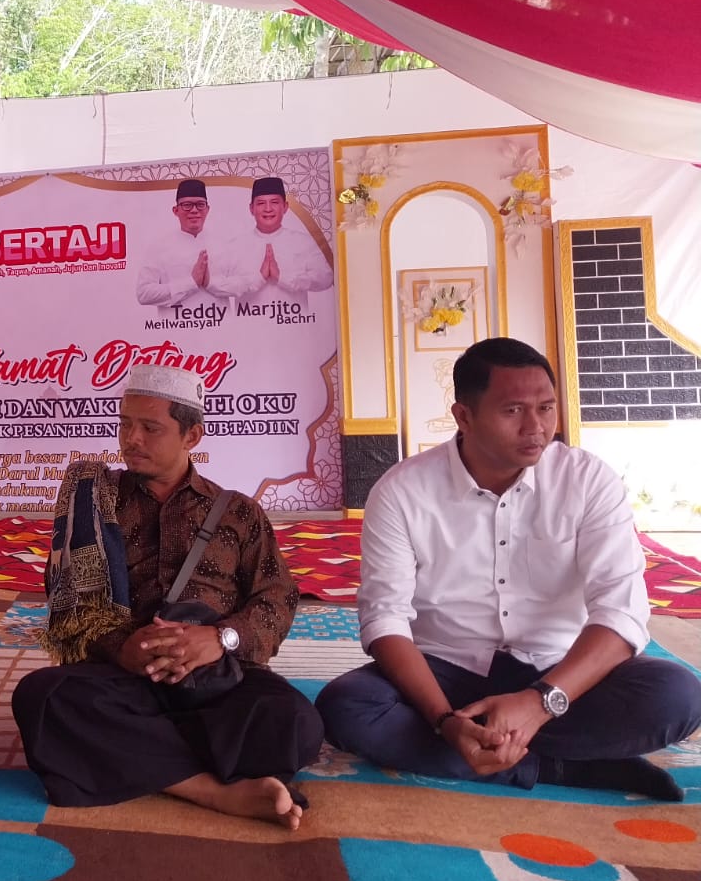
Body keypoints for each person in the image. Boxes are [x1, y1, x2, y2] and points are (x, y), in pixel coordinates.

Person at [317, 337, 701, 800]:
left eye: (546, 408)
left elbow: (620, 611)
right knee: (347, 706)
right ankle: (565, 766)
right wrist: (444, 721)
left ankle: (488, 753)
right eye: (513, 410)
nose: (536, 427)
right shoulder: (402, 491)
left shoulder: (587, 481)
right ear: (464, 417)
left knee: (679, 694)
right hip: (447, 672)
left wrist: (539, 703)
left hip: (560, 670)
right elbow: (385, 618)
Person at [13, 363, 320, 829]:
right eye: (125, 424)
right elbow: (68, 603)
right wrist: (123, 649)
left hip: (217, 677)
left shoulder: (239, 512)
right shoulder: (96, 501)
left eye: (150, 428)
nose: (131, 439)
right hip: (125, 679)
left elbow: (277, 598)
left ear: (191, 436)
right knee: (44, 697)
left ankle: (143, 755)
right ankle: (216, 791)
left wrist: (220, 639)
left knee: (295, 722)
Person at [211, 177, 333, 311]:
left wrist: (283, 277)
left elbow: (326, 278)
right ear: (252, 208)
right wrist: (257, 279)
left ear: (285, 207)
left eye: (274, 202)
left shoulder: (303, 241)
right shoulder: (234, 246)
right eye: (261, 203)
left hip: (292, 321)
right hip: (247, 322)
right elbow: (215, 285)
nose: (268, 209)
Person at [136, 179, 220, 316]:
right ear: (176, 210)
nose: (194, 210)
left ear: (207, 209)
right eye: (187, 205)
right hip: (175, 327)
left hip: (220, 325)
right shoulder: (159, 248)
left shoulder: (223, 244)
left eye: (200, 205)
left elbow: (242, 284)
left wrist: (210, 283)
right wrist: (190, 283)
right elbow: (144, 293)